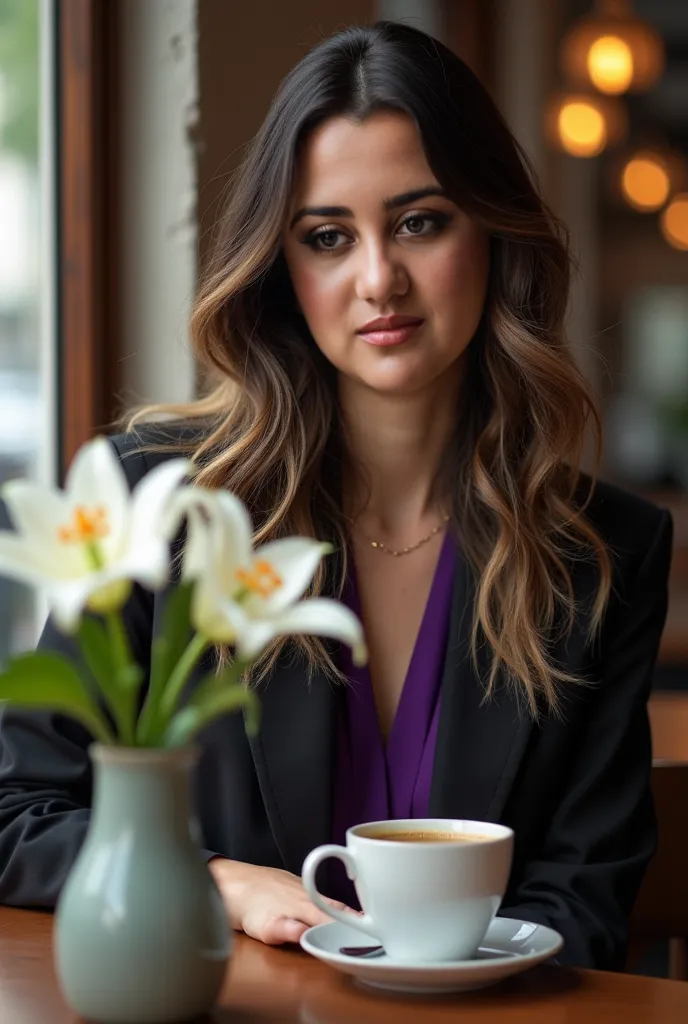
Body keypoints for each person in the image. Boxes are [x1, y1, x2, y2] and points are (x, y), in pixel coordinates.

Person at [0, 21, 672, 971]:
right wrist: (218, 880)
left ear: (492, 231)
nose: (377, 279)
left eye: (420, 222)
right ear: (284, 268)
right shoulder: (161, 507)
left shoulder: (603, 553)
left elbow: (585, 898)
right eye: (327, 237)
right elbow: (15, 812)